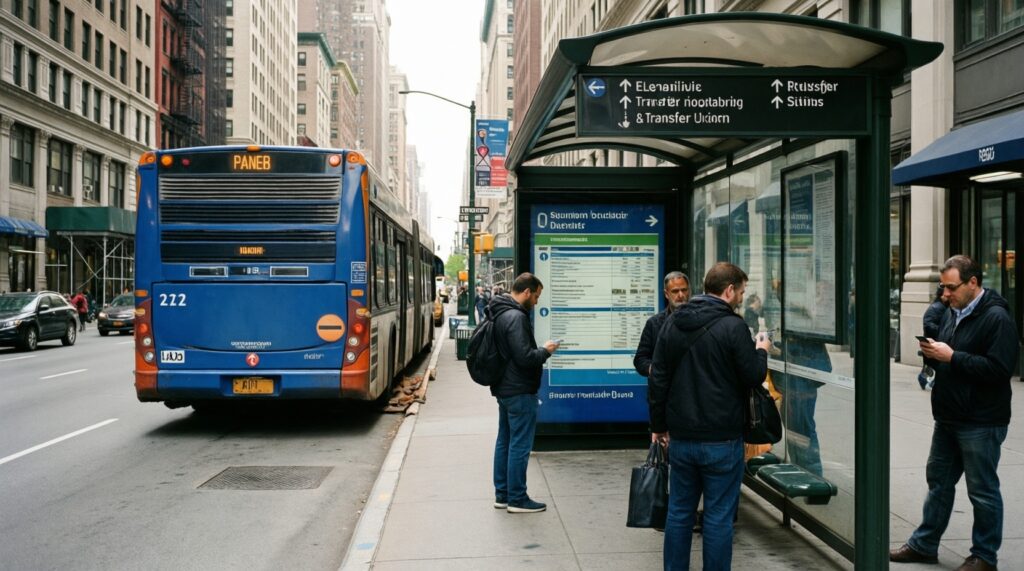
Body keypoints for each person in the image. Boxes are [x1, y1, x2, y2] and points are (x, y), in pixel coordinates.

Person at [891, 255, 1018, 571]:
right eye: (942, 288)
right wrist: (934, 355)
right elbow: (949, 356)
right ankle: (924, 545)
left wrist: (953, 357)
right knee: (939, 483)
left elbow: (1000, 369)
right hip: (948, 416)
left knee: (982, 491)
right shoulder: (952, 312)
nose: (944, 295)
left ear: (972, 283)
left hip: (981, 420)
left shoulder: (998, 318)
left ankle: (984, 556)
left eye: (951, 287)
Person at [649, 262, 771, 571]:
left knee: (678, 513)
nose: (742, 297)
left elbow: (658, 378)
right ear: (729, 290)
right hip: (722, 439)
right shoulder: (734, 327)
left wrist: (659, 426)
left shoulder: (672, 324)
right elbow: (753, 376)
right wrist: (762, 349)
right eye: (741, 291)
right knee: (718, 518)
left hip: (682, 438)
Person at [489, 272, 560, 514]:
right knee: (519, 445)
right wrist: (546, 350)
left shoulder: (499, 312)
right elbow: (525, 357)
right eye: (537, 296)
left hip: (504, 388)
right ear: (527, 292)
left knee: (505, 441)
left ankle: (503, 494)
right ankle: (517, 499)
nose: (537, 302)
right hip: (519, 390)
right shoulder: (516, 317)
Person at [634, 271, 691, 377]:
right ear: (666, 294)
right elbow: (640, 359)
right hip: (664, 388)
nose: (681, 295)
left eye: (684, 290)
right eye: (675, 291)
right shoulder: (654, 323)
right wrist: (655, 370)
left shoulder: (699, 319)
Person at [918, 284, 949, 390]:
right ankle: (925, 380)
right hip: (934, 342)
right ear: (941, 295)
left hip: (936, 342)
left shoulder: (942, 307)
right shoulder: (937, 307)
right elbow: (928, 325)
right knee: (933, 367)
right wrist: (944, 332)